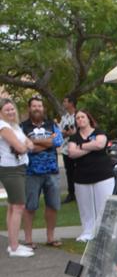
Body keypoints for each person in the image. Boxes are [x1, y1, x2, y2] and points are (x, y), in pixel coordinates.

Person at [21, 96, 64, 248]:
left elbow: (58, 142)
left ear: (43, 108)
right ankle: (28, 239)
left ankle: (50, 238)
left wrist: (33, 141)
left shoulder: (52, 124)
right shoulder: (22, 127)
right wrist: (48, 142)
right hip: (31, 173)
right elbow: (24, 147)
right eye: (34, 106)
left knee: (52, 205)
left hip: (52, 171)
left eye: (40, 106)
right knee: (30, 206)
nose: (37, 108)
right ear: (29, 108)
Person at [67, 108, 115, 241]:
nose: (80, 120)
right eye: (78, 118)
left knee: (105, 205)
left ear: (89, 118)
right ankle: (88, 232)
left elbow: (100, 144)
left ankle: (106, 232)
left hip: (103, 174)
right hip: (82, 176)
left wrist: (81, 147)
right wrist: (90, 146)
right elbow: (71, 153)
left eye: (83, 117)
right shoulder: (74, 137)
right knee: (85, 207)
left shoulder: (99, 132)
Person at [0, 97, 34, 256]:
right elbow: (21, 147)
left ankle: (13, 244)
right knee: (19, 206)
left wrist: (26, 145)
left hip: (19, 167)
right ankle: (14, 247)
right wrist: (25, 146)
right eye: (7, 110)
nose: (11, 112)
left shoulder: (15, 126)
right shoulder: (3, 127)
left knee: (13, 206)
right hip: (11, 169)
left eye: (12, 109)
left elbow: (30, 143)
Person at [58, 95, 77, 203]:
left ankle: (80, 192)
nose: (64, 104)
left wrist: (72, 133)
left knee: (78, 171)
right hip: (66, 149)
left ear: (71, 103)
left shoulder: (78, 116)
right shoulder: (64, 118)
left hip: (78, 148)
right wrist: (65, 133)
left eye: (65, 101)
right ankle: (71, 193)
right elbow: (60, 132)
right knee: (69, 172)